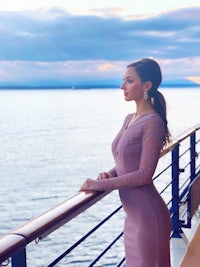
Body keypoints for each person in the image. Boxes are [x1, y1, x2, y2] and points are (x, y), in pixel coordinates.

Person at [79, 58, 172, 267]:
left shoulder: (153, 123)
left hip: (149, 218)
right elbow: (124, 160)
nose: (122, 87)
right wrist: (110, 174)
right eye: (123, 81)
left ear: (146, 86)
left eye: (129, 81)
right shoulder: (130, 118)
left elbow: (144, 174)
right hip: (133, 219)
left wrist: (99, 185)